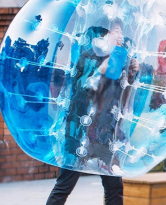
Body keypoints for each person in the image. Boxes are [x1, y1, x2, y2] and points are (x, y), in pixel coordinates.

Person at [47, 18, 139, 205]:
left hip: (105, 132)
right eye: (115, 31)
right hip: (81, 131)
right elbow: (80, 89)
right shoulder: (87, 56)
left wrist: (132, 73)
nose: (120, 36)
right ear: (104, 34)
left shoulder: (120, 58)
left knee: (114, 187)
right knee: (65, 184)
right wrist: (99, 71)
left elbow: (122, 97)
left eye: (121, 31)